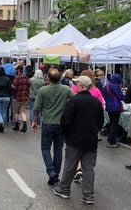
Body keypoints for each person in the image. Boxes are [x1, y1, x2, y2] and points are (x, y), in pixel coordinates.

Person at [53, 76, 104, 205]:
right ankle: (88, 195)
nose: (75, 86)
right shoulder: (96, 102)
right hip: (91, 139)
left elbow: (66, 120)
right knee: (88, 168)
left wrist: (66, 133)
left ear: (81, 86)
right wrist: (94, 131)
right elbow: (100, 121)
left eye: (77, 84)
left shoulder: (74, 101)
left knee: (70, 165)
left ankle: (64, 189)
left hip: (74, 138)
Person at [32, 68, 75, 184]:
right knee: (58, 150)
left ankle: (51, 171)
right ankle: (56, 173)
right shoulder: (66, 89)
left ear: (48, 78)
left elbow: (36, 108)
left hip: (47, 122)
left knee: (45, 148)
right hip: (61, 123)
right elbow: (75, 100)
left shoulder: (43, 90)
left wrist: (34, 121)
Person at [101, 73, 125, 148]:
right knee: (114, 124)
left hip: (108, 107)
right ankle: (111, 141)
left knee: (111, 123)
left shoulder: (106, 86)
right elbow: (120, 97)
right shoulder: (115, 87)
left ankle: (111, 139)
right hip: (115, 107)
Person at [11, 64, 30, 132]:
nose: (15, 70)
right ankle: (24, 125)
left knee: (16, 112)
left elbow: (14, 88)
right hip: (25, 97)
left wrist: (12, 86)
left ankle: (17, 126)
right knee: (23, 112)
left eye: (16, 69)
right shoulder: (26, 77)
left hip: (17, 97)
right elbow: (28, 86)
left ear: (18, 70)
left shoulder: (16, 77)